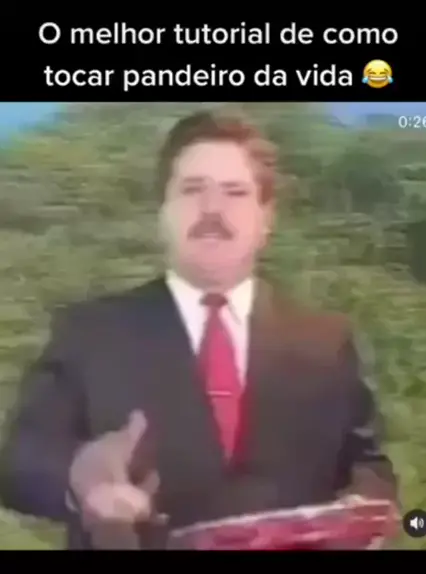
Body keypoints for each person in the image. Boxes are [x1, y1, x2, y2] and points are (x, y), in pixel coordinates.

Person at [0, 110, 398, 549]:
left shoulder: (327, 341)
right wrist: (83, 482)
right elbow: (20, 461)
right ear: (163, 211)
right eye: (192, 190)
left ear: (266, 218)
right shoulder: (90, 331)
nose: (212, 209)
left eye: (235, 192)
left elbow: (367, 463)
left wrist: (362, 513)